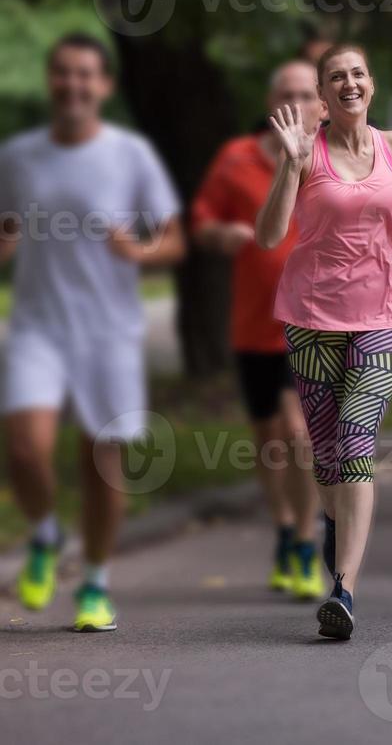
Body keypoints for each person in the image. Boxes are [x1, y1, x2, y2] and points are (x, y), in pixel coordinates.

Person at [258, 44, 392, 640]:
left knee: (355, 440)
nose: (350, 84)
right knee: (326, 452)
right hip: (312, 316)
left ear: (371, 84)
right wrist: (289, 167)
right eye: (337, 77)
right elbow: (269, 236)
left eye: (359, 74)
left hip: (385, 314)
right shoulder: (305, 151)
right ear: (322, 93)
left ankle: (343, 589)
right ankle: (334, 521)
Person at [3, 34, 186, 633]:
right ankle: (46, 535)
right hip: (37, 326)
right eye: (62, 73)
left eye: (85, 75)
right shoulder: (18, 156)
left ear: (104, 86)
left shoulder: (129, 154)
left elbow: (176, 239)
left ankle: (96, 582)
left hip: (109, 333)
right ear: (51, 79)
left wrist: (139, 249)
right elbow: (3, 229)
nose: (73, 85)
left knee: (101, 464)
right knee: (24, 447)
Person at [192, 59, 325, 600]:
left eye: (305, 93)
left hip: (313, 321)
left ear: (320, 106)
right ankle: (285, 530)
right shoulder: (236, 158)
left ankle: (307, 538)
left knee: (298, 433)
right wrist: (219, 232)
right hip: (253, 324)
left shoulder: (332, 158)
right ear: (271, 104)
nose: (295, 102)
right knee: (269, 440)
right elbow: (200, 219)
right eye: (285, 93)